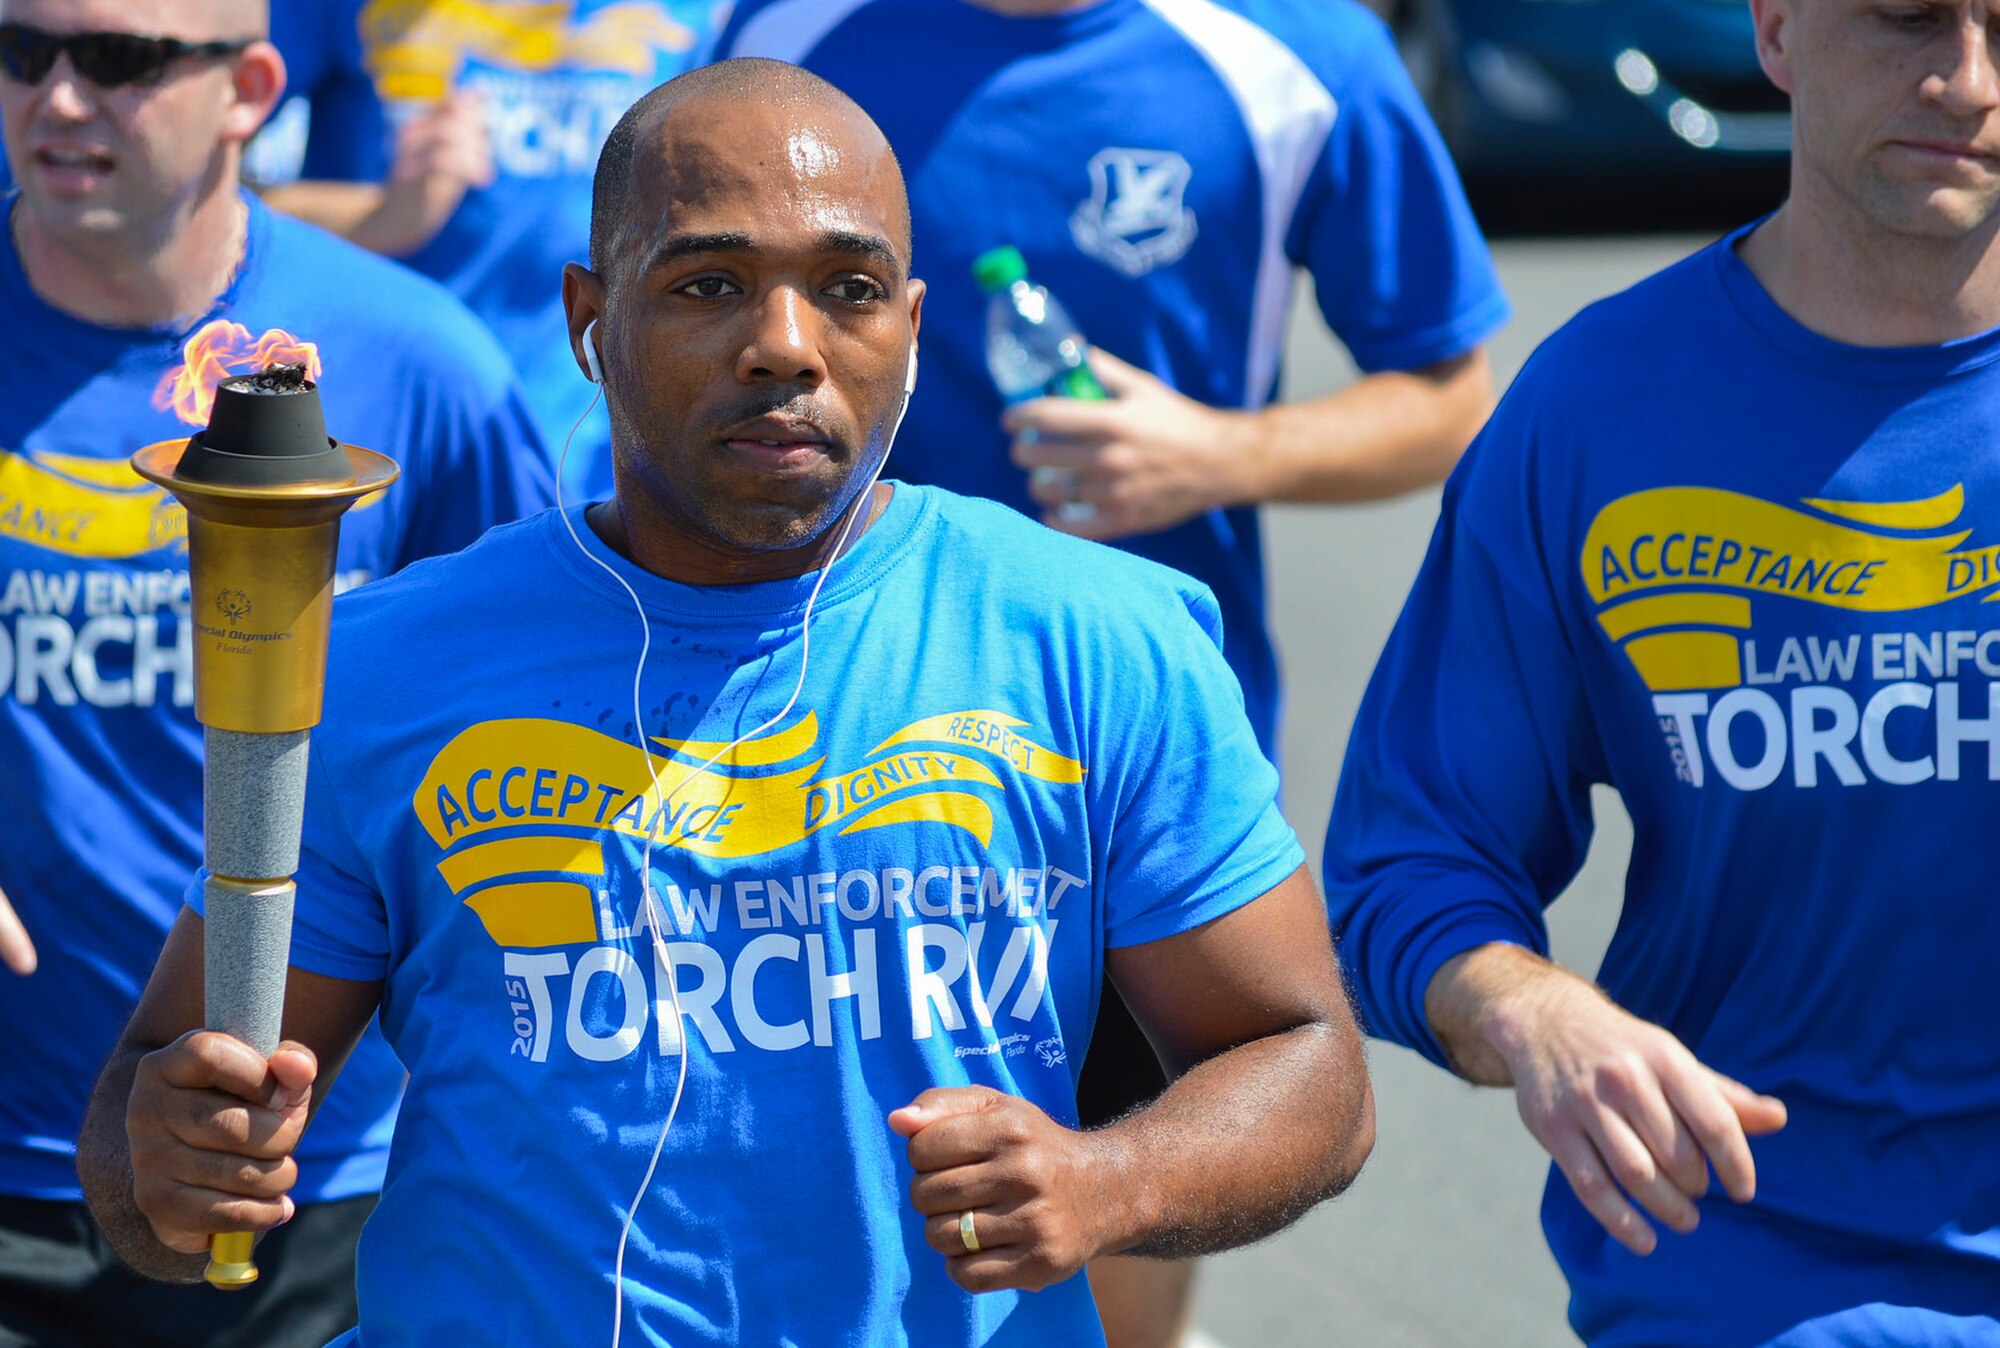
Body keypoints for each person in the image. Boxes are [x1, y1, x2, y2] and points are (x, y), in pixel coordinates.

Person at [80, 59, 1375, 1348]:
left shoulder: (1096, 639)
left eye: (850, 290)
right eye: (708, 285)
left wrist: (1110, 1183)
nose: (786, 349)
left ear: (913, 327)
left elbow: (1309, 1063)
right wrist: (173, 1164)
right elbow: (152, 1152)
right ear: (591, 319)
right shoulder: (380, 672)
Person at [713, 5, 1505, 1338]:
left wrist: (1221, 455)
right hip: (810, 754)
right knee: (822, 1247)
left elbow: (1454, 394)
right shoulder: (793, 28)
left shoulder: (1298, 54)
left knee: (1115, 1232)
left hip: (1121, 775)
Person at [1325, 1, 2000, 1342]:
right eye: (1906, 15)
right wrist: (1531, 1011)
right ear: (1778, 28)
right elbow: (1410, 858)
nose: (1968, 80)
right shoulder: (1599, 409)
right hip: (1745, 1279)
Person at [0, 0, 555, 1343]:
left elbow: (544, 700)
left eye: (118, 61)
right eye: (21, 51)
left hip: (315, 1162)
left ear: (251, 86)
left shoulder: (418, 363)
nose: (59, 99)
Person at [247, 0, 726, 496]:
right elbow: (190, 199)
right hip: (387, 454)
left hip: (593, 472)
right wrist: (378, 217)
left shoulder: (699, 15)